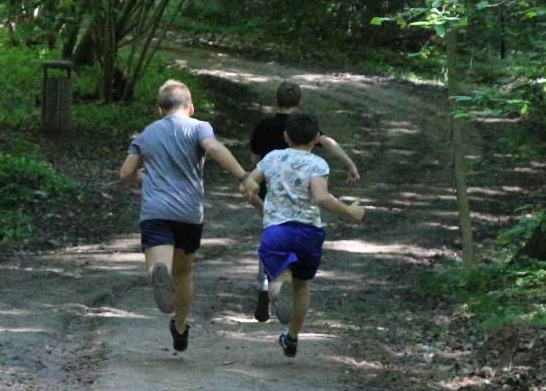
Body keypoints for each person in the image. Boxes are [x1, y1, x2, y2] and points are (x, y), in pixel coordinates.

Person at [119, 80, 249, 353]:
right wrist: (243, 176)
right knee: (184, 273)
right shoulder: (199, 127)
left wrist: (147, 180)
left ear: (160, 109)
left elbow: (126, 173)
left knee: (160, 261)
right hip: (189, 212)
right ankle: (180, 326)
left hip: (155, 210)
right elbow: (213, 149)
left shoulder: (146, 134)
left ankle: (157, 270)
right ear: (190, 107)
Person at [241, 110, 366, 357]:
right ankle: (292, 337)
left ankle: (277, 291)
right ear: (315, 140)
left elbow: (246, 186)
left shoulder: (272, 158)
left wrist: (263, 207)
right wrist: (349, 211)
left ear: (286, 136)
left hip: (276, 231)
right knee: (302, 285)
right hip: (308, 232)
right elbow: (320, 197)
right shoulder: (318, 163)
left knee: (278, 275)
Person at [247, 80, 360, 321]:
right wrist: (348, 163)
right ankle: (284, 288)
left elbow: (255, 158)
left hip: (272, 191)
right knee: (296, 248)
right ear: (299, 102)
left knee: (271, 240)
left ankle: (267, 284)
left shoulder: (265, 125)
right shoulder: (306, 127)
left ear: (276, 101)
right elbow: (328, 142)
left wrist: (257, 193)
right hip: (303, 205)